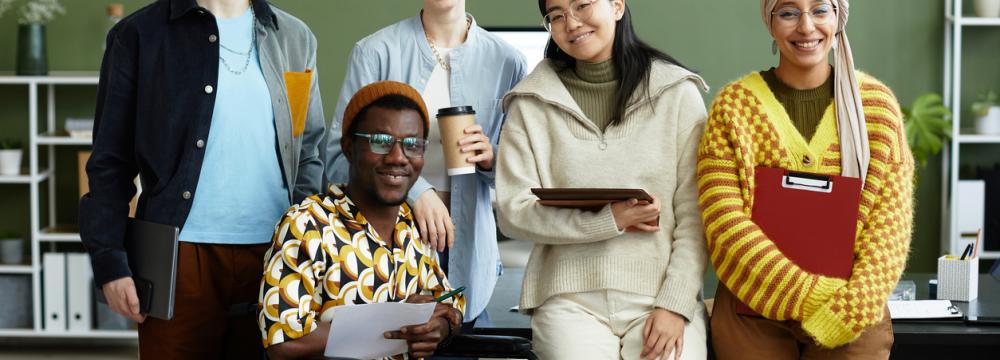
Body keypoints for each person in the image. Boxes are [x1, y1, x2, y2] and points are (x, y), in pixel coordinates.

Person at [79, 0, 325, 358]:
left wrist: (306, 247)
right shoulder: (137, 36)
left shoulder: (294, 38)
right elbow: (109, 163)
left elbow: (307, 152)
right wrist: (109, 262)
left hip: (277, 257)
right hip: (177, 259)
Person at [698, 0, 914, 358]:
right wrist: (806, 294)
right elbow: (723, 223)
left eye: (819, 10)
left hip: (850, 305)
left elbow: (890, 227)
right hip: (752, 304)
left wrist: (854, 305)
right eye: (788, 12)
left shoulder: (876, 107)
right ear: (770, 23)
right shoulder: (733, 108)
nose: (806, 26)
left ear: (838, 17)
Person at [495, 0, 709, 359]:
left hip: (659, 295)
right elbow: (514, 211)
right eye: (557, 15)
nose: (571, 22)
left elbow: (696, 213)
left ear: (617, 6)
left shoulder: (677, 92)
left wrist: (675, 304)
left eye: (582, 5)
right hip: (567, 299)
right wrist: (611, 221)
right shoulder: (529, 103)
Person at [323, 0, 526, 331]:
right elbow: (338, 155)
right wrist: (418, 193)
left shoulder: (508, 61)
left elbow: (521, 171)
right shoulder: (375, 52)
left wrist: (491, 157)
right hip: (385, 248)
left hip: (469, 253)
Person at [260, 81, 465, 360]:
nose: (397, 157)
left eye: (412, 145)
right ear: (348, 147)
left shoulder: (413, 225)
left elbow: (450, 305)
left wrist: (437, 328)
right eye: (380, 142)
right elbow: (284, 341)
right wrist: (393, 322)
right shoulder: (308, 224)